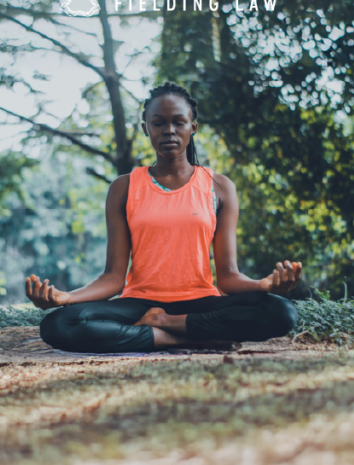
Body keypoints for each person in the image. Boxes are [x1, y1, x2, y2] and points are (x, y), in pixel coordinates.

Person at [26, 81, 302, 353]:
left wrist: (262, 285)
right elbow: (112, 278)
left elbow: (228, 277)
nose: (169, 130)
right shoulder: (124, 187)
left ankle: (164, 324)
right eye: (158, 123)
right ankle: (179, 338)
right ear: (146, 128)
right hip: (139, 303)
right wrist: (66, 297)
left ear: (192, 127)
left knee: (280, 312)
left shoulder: (219, 187)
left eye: (178, 122)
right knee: (60, 323)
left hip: (200, 302)